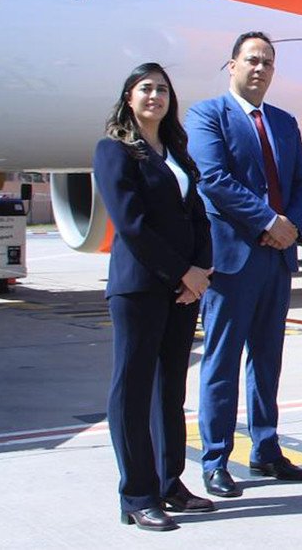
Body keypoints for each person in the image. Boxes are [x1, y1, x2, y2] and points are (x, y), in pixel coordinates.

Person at [186, 31, 302, 497]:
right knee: (221, 362)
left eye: (267, 62)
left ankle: (265, 447)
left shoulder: (284, 121)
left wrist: (289, 226)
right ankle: (216, 458)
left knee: (267, 360)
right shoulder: (207, 115)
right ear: (232, 65)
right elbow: (213, 179)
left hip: (276, 258)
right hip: (233, 259)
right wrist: (267, 220)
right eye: (251, 60)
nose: (259, 68)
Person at [94, 63, 214, 531]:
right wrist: (181, 271)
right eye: (146, 88)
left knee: (169, 389)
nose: (155, 96)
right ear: (129, 97)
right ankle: (137, 494)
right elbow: (132, 224)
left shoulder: (177, 153)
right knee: (133, 389)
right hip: (140, 286)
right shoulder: (115, 151)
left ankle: (169, 483)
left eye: (163, 90)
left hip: (183, 290)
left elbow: (198, 217)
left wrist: (200, 273)